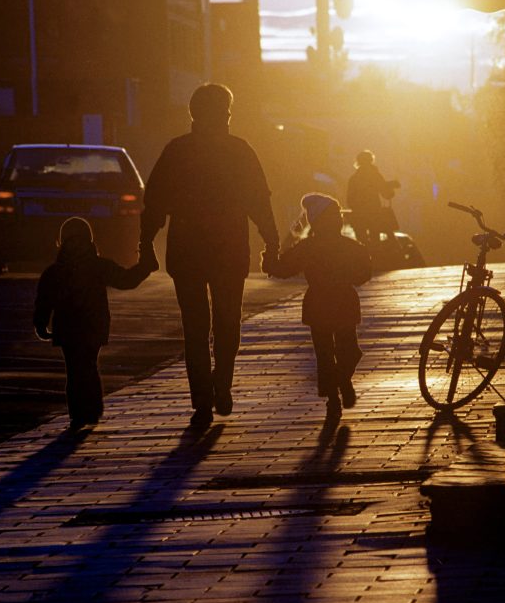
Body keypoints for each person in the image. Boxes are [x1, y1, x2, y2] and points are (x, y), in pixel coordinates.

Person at [139, 83, 280, 429]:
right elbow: (259, 199)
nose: (229, 117)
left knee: (195, 328)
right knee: (228, 321)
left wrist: (146, 244)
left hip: (186, 251)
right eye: (226, 111)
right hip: (229, 250)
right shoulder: (239, 151)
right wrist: (271, 240)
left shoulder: (177, 151)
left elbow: (154, 200)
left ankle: (202, 400)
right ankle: (222, 384)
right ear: (219, 114)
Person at [33, 216, 156, 432]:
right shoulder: (98, 266)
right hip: (93, 326)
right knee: (87, 365)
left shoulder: (55, 272)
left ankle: (80, 413)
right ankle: (90, 409)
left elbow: (44, 300)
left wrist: (41, 324)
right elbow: (126, 280)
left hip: (69, 328)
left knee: (75, 369)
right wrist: (145, 267)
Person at [262, 192, 372, 419]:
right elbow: (363, 274)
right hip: (343, 303)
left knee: (325, 354)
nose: (340, 219)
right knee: (348, 350)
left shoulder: (308, 246)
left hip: (318, 304)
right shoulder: (347, 246)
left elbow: (284, 269)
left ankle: (334, 391)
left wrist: (270, 261)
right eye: (336, 215)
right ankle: (339, 387)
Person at [346, 149, 399, 247]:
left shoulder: (353, 178)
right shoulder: (374, 175)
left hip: (359, 217)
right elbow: (386, 194)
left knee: (361, 244)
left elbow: (350, 200)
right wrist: (391, 187)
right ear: (371, 160)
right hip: (374, 214)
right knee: (375, 242)